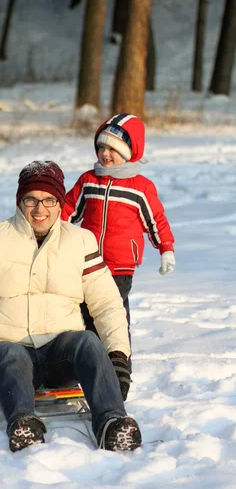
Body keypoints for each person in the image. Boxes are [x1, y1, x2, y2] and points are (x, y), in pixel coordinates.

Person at [0, 161, 142, 452]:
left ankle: (113, 423)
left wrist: (119, 356)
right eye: (31, 199)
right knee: (8, 351)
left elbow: (106, 302)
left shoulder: (80, 241)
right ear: (20, 201)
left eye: (49, 200)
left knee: (87, 340)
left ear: (60, 204)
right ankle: (24, 424)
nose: (39, 209)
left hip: (62, 354)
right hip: (10, 354)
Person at [62, 113, 175, 375]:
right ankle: (86, 366)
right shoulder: (89, 180)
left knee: (113, 317)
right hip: (88, 263)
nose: (105, 154)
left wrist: (166, 249)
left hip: (120, 266)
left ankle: (118, 368)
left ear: (129, 152)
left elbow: (156, 220)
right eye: (101, 147)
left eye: (113, 149)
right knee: (84, 315)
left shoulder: (140, 188)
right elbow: (69, 209)